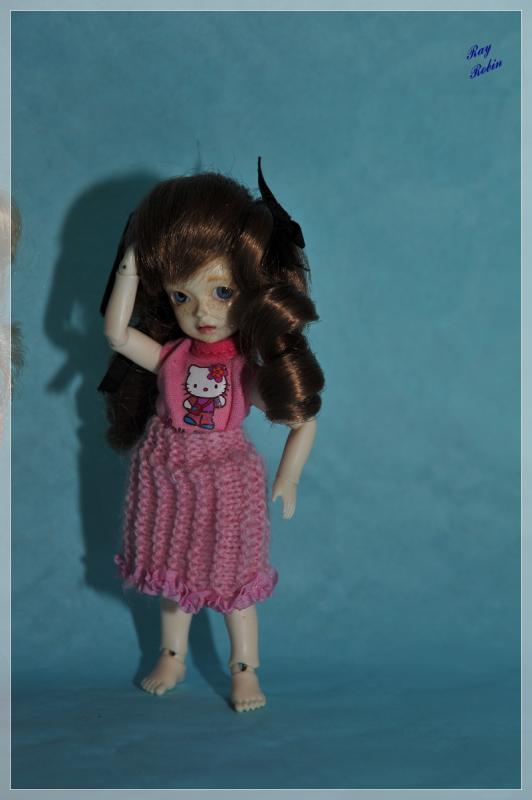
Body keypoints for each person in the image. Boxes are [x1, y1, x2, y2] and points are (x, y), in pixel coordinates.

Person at [99, 160, 324, 712]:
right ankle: (172, 656)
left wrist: (289, 476)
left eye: (221, 291)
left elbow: (303, 418)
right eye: (183, 296)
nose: (202, 312)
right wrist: (130, 266)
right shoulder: (172, 356)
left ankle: (244, 668)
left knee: (233, 586)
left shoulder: (246, 366)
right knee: (173, 577)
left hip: (225, 483)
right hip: (164, 473)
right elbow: (117, 334)